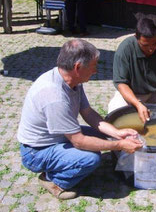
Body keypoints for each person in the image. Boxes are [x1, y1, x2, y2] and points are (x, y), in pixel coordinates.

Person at [17, 39, 143, 200]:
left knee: (106, 137)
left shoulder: (72, 80)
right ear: (78, 67)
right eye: (93, 66)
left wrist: (117, 133)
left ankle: (66, 162)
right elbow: (78, 141)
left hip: (58, 136)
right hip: (37, 151)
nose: (96, 71)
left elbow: (88, 113)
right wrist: (119, 145)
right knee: (91, 158)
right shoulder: (54, 96)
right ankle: (54, 180)